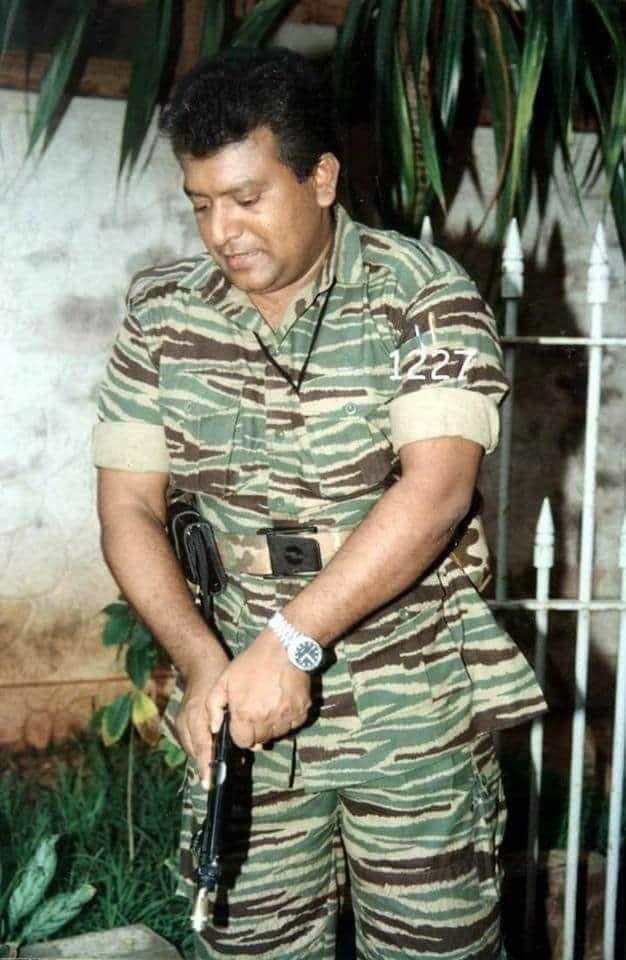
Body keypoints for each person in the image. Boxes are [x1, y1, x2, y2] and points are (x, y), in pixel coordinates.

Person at [94, 46, 546, 960]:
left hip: (410, 712)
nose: (222, 232)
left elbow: (437, 490)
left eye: (246, 198)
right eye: (200, 204)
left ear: (322, 178)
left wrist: (291, 642)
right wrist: (200, 662)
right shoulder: (162, 313)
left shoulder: (421, 294)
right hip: (243, 711)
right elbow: (127, 511)